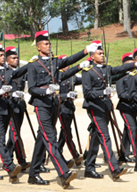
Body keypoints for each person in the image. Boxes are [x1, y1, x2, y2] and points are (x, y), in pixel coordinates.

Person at [27, 30, 91, 188]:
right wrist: (46, 91)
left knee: (42, 140)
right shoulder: (33, 66)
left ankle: (33, 174)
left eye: (49, 43)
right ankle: (63, 173)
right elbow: (32, 89)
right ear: (38, 47)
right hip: (41, 105)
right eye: (46, 44)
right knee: (50, 138)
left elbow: (70, 59)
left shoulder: (54, 62)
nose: (49, 46)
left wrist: (85, 51)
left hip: (54, 105)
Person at [82, 40, 135, 180]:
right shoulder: (87, 71)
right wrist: (102, 93)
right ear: (92, 56)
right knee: (105, 137)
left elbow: (119, 69)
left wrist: (134, 64)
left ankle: (89, 167)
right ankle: (114, 168)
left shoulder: (106, 69)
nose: (102, 55)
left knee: (96, 137)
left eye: (103, 53)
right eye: (99, 53)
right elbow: (87, 93)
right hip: (94, 107)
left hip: (104, 106)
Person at [0, 44, 26, 183]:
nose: (3, 57)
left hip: (8, 108)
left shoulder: (9, 72)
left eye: (3, 55)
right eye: (0, 55)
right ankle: (9, 166)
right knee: (0, 138)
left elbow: (20, 73)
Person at [3, 46, 31, 172]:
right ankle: (17, 159)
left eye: (17, 58)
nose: (16, 60)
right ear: (7, 61)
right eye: (13, 58)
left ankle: (14, 157)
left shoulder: (21, 72)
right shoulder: (5, 72)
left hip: (20, 105)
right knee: (14, 133)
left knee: (15, 133)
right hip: (10, 106)